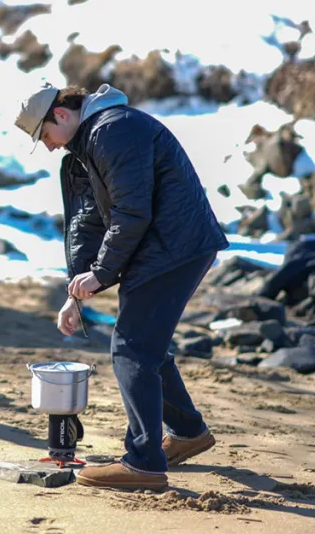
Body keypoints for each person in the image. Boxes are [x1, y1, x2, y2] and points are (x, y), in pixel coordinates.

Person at [15, 83, 230, 492]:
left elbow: (132, 213)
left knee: (131, 350)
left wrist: (100, 274)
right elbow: (94, 220)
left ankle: (144, 463)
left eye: (43, 136)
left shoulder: (112, 130)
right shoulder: (95, 138)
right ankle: (187, 433)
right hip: (169, 248)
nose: (48, 147)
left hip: (172, 248)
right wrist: (76, 292)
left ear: (60, 115)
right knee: (144, 346)